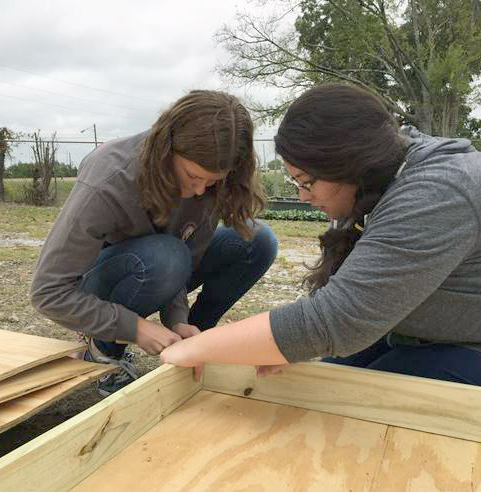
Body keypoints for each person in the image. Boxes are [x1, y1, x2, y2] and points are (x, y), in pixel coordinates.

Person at [160, 83, 481, 386]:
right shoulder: (382, 174)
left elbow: (338, 320)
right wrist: (287, 344)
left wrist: (196, 348)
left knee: (354, 412)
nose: (302, 196)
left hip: (465, 346)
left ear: (348, 165)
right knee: (320, 390)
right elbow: (343, 298)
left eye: (306, 182)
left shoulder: (436, 194)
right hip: (412, 335)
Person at [30, 90, 278, 396]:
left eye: (212, 182)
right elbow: (47, 292)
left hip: (163, 262)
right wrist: (135, 328)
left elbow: (185, 259)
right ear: (167, 149)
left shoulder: (210, 184)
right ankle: (103, 349)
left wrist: (177, 320)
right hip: (101, 283)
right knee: (165, 256)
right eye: (192, 176)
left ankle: (189, 344)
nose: (200, 191)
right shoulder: (108, 178)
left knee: (256, 240)